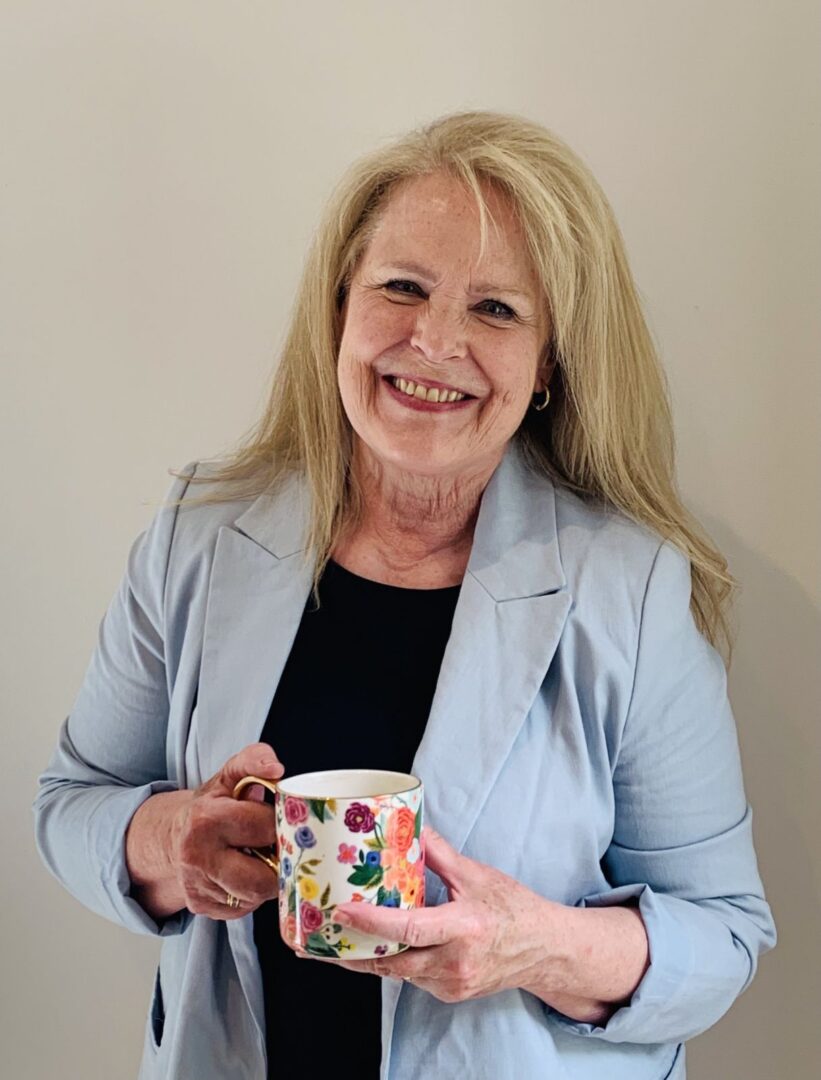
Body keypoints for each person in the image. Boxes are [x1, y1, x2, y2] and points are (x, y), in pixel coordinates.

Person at [34, 110, 776, 1080]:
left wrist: (529, 944)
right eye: (400, 287)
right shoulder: (199, 537)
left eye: (495, 311)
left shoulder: (627, 588)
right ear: (339, 307)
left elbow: (720, 937)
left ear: (548, 362)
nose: (431, 342)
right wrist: (166, 843)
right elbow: (69, 805)